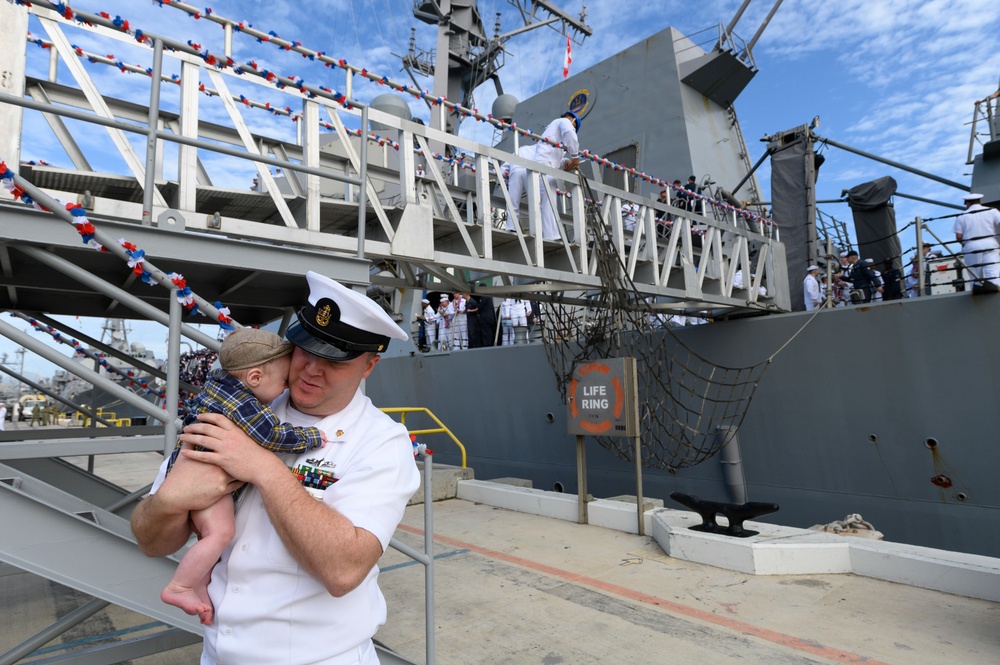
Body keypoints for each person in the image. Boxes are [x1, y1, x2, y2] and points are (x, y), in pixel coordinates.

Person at [131, 271, 420, 665]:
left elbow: (343, 571)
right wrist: (167, 502)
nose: (311, 369)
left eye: (334, 359)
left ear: (369, 365)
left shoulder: (381, 443)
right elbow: (150, 542)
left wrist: (264, 469)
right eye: (305, 350)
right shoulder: (240, 409)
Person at [160, 328, 326, 625]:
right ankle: (179, 586)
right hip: (205, 476)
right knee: (220, 534)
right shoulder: (245, 404)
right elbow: (271, 435)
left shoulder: (215, 384)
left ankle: (197, 583)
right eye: (283, 382)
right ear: (255, 379)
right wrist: (312, 437)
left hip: (188, 468)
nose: (286, 389)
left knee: (207, 536)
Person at [952, 192, 1000, 293]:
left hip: (971, 245)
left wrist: (966, 245)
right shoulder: (992, 211)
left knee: (975, 273)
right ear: (980, 201)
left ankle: (977, 289)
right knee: (992, 270)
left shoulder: (961, 216)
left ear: (967, 203)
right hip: (990, 243)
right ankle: (995, 288)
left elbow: (959, 236)